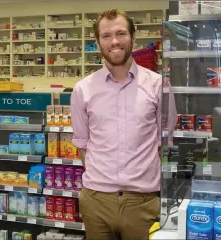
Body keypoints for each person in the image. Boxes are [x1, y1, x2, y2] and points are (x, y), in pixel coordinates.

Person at [70, 9, 177, 239]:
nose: (114, 41)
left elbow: (164, 141)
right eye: (106, 36)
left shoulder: (158, 85)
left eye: (121, 33)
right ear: (98, 41)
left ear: (133, 37)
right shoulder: (83, 89)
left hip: (143, 203)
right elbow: (82, 145)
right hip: (96, 202)